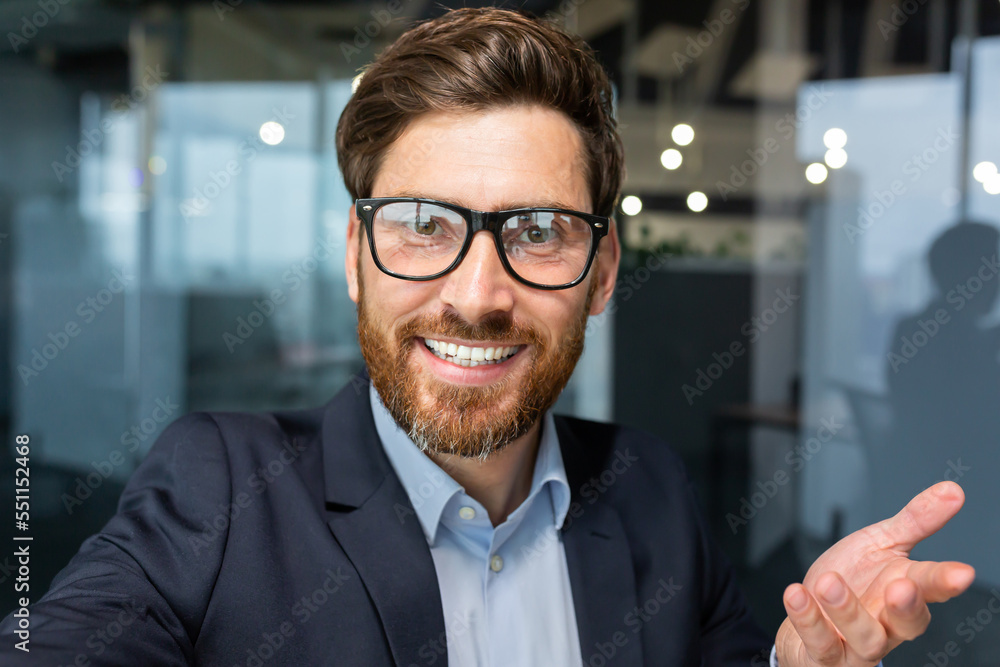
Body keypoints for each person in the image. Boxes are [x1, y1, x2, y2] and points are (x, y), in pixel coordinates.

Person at [0, 7, 974, 666]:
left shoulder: (652, 490)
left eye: (538, 231)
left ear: (601, 271)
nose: (477, 295)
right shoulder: (216, 487)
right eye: (424, 224)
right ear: (357, 256)